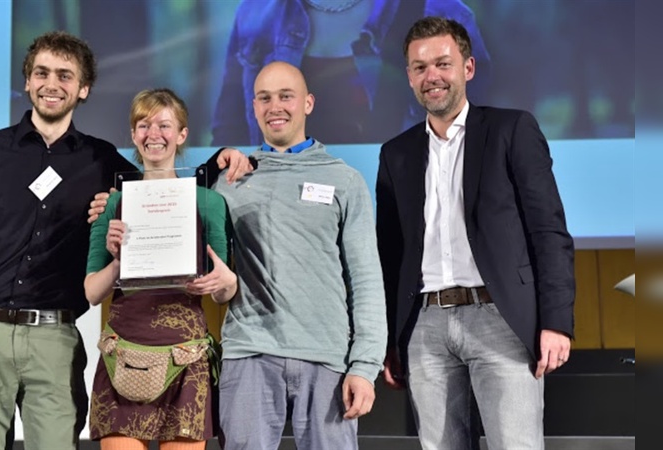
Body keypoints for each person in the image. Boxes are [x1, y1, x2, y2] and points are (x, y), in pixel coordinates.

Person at [0, 31, 140, 450]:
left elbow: (159, 191)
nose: (51, 84)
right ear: (27, 81)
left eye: (64, 75)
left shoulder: (101, 160)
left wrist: (218, 163)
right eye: (41, 73)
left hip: (52, 339)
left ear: (83, 88)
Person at [376, 16, 575, 449]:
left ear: (468, 68)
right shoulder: (396, 154)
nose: (432, 76)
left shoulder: (512, 130)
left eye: (443, 64)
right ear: (409, 76)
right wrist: (389, 339)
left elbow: (549, 231)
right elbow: (390, 256)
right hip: (424, 327)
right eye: (420, 67)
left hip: (499, 318)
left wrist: (557, 323)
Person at [208, 61, 387, 450]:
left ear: (308, 103)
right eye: (265, 98)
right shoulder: (228, 180)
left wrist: (365, 366)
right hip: (249, 352)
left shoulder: (344, 180)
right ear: (253, 106)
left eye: (286, 96)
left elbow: (367, 280)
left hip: (326, 358)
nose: (276, 106)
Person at [84, 88, 236, 450]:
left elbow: (224, 290)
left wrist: (224, 280)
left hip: (187, 359)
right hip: (123, 356)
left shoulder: (209, 202)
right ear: (134, 135)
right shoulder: (113, 204)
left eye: (164, 125)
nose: (154, 134)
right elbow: (92, 292)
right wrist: (120, 261)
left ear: (182, 134)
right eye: (144, 124)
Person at [211, 0, 490, 146]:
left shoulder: (441, 10)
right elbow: (229, 131)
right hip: (287, 216)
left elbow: (480, 124)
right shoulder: (256, 13)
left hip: (412, 207)